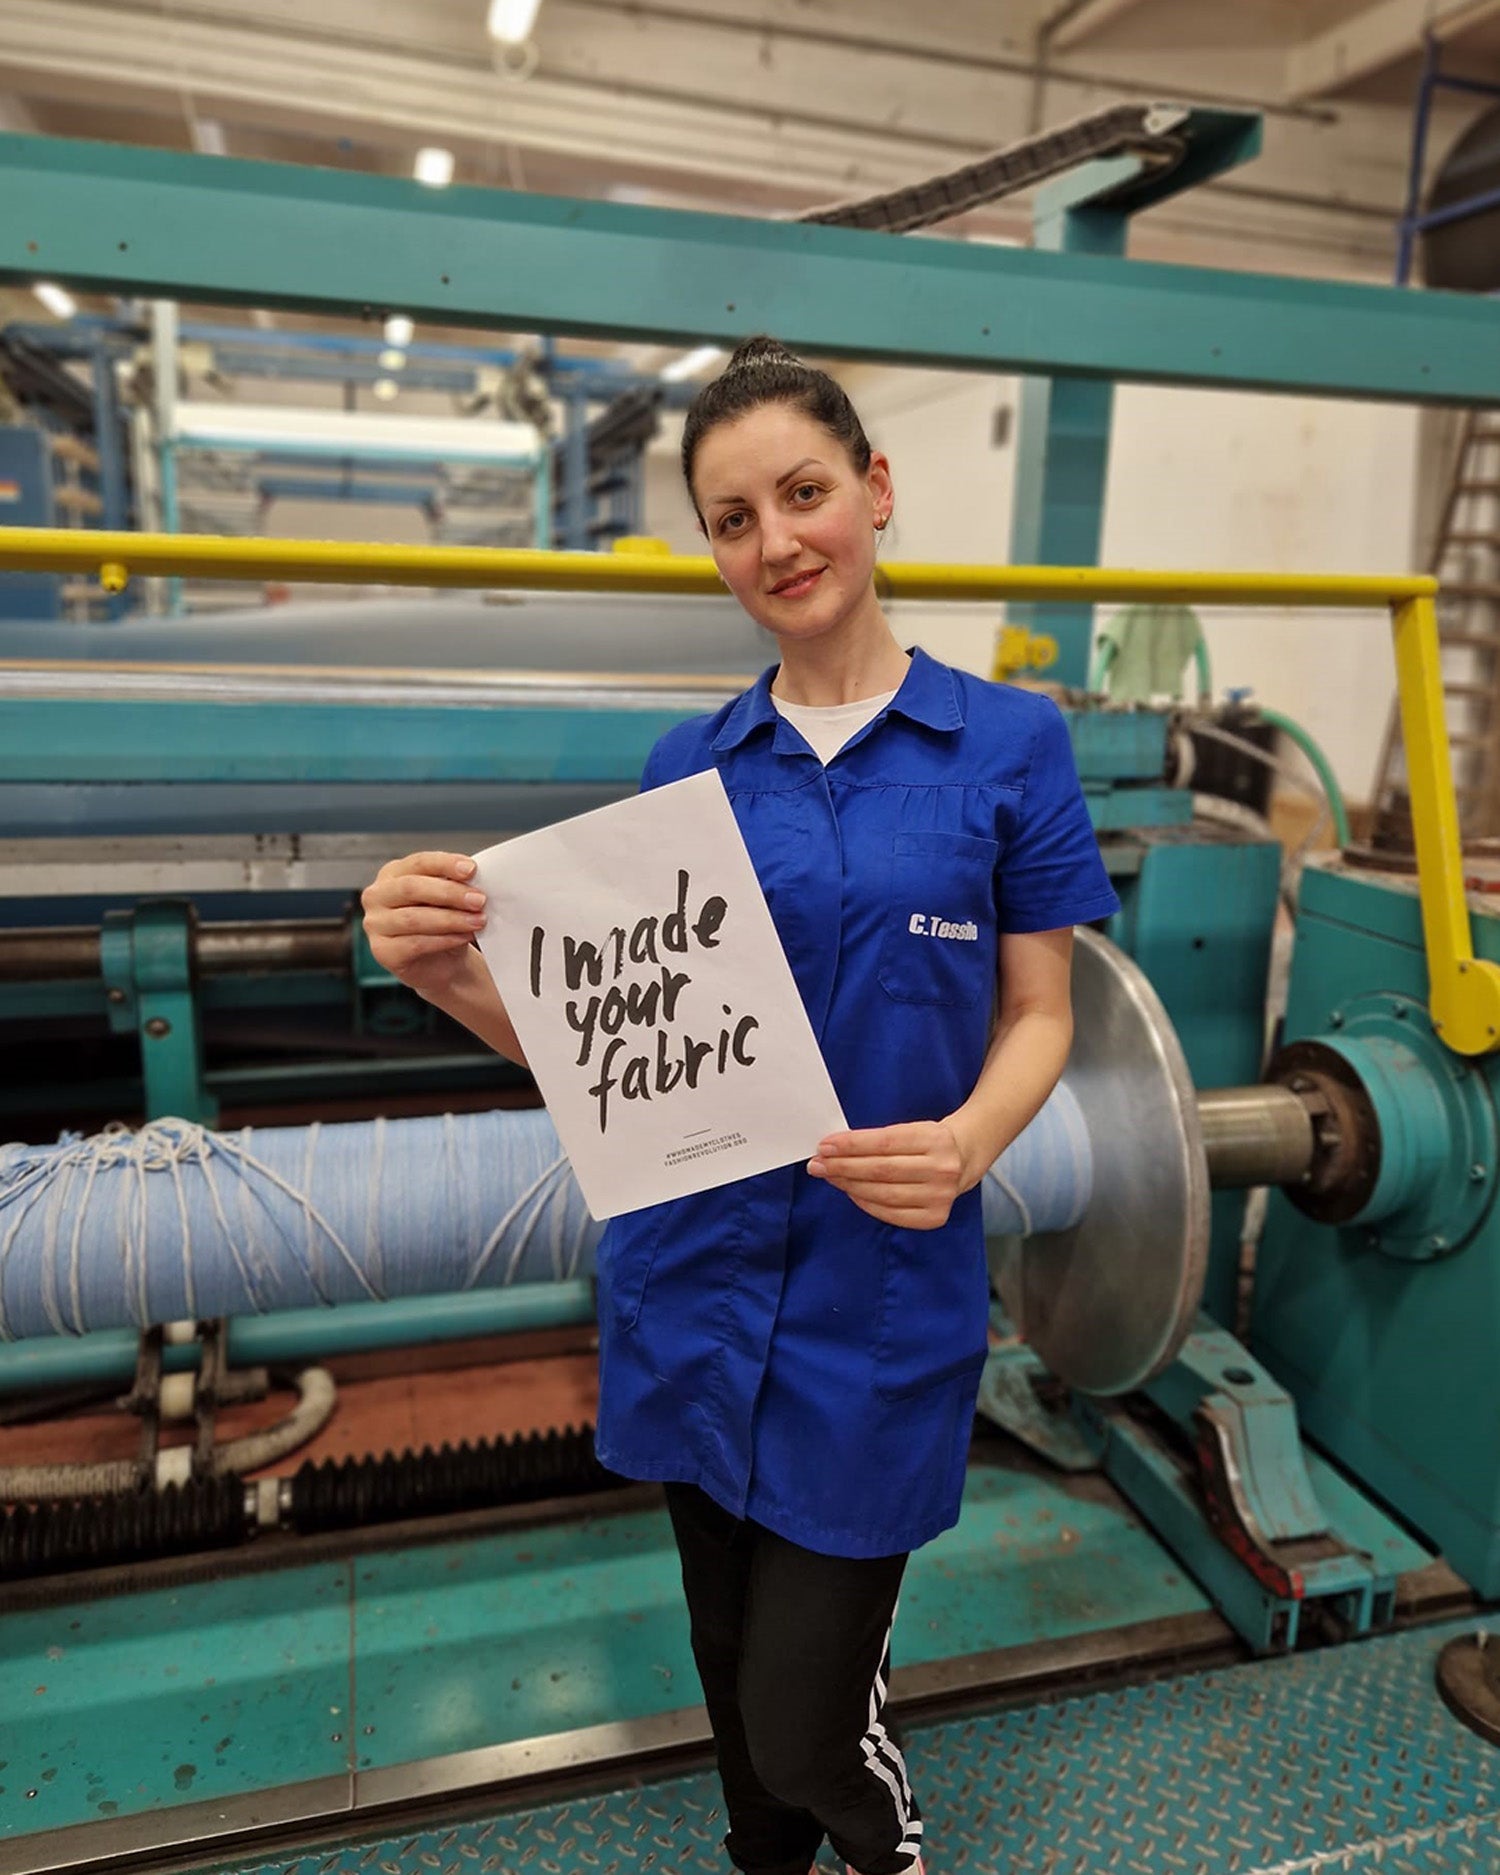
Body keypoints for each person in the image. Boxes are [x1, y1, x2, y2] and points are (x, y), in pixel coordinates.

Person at [362, 337, 1120, 1875]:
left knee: (805, 1721)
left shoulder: (1008, 748)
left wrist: (971, 1143)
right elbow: (613, 1057)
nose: (776, 541)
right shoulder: (689, 767)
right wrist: (436, 973)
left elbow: (1044, 1011)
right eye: (731, 518)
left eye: (804, 492)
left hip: (877, 1309)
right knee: (730, 1689)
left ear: (875, 491)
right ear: (710, 549)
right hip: (693, 1295)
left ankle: (884, 1850)